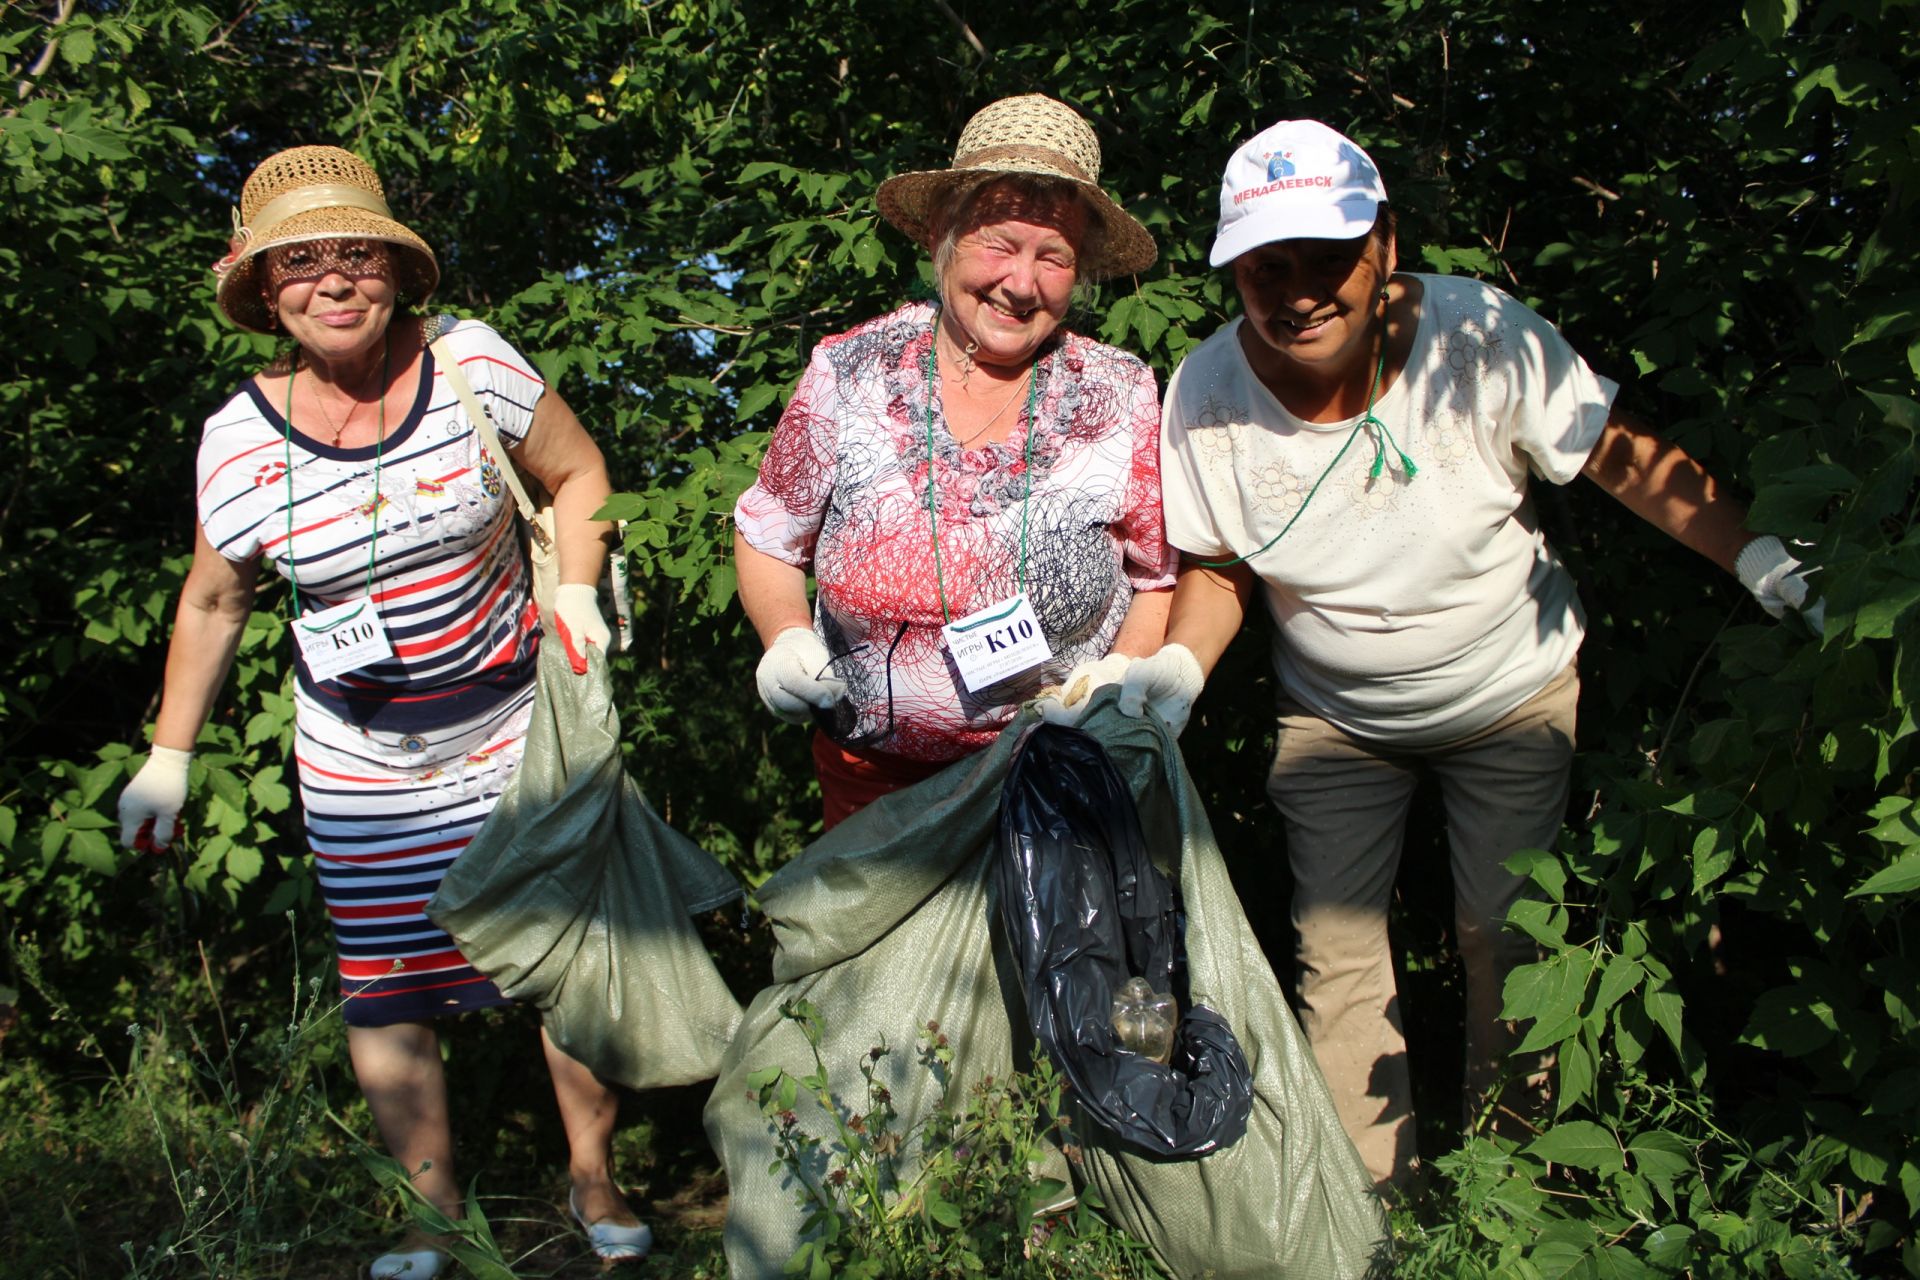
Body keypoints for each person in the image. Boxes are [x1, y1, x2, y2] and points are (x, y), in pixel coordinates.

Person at [1113, 120, 1823, 1188]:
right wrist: (1178, 673)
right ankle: (1370, 1207)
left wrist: (1757, 555)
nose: (1299, 290)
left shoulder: (1481, 336)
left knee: (1508, 935)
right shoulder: (1206, 396)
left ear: (1385, 245)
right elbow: (1219, 568)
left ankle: (1513, 1188)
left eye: (1327, 257)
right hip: (1337, 718)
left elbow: (1620, 455)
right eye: (1268, 265)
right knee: (1336, 954)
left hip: (1511, 689)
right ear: (1235, 272)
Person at [113, 146, 653, 1276]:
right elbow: (214, 599)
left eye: (355, 252)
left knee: (563, 965)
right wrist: (169, 755)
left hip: (515, 725)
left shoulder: (470, 363)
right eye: (299, 263)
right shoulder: (236, 438)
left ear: (397, 269)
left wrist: (571, 589)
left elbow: (581, 472)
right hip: (357, 754)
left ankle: (594, 1176)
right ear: (265, 291)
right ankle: (433, 1209)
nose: (333, 280)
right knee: (388, 982)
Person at [734, 94, 1176, 827]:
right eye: (999, 243)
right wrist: (784, 639)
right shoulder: (850, 372)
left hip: (1063, 779)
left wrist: (1123, 674)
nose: (1023, 283)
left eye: (1054, 256)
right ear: (941, 232)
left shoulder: (1119, 390)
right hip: (875, 782)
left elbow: (1157, 575)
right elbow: (768, 535)